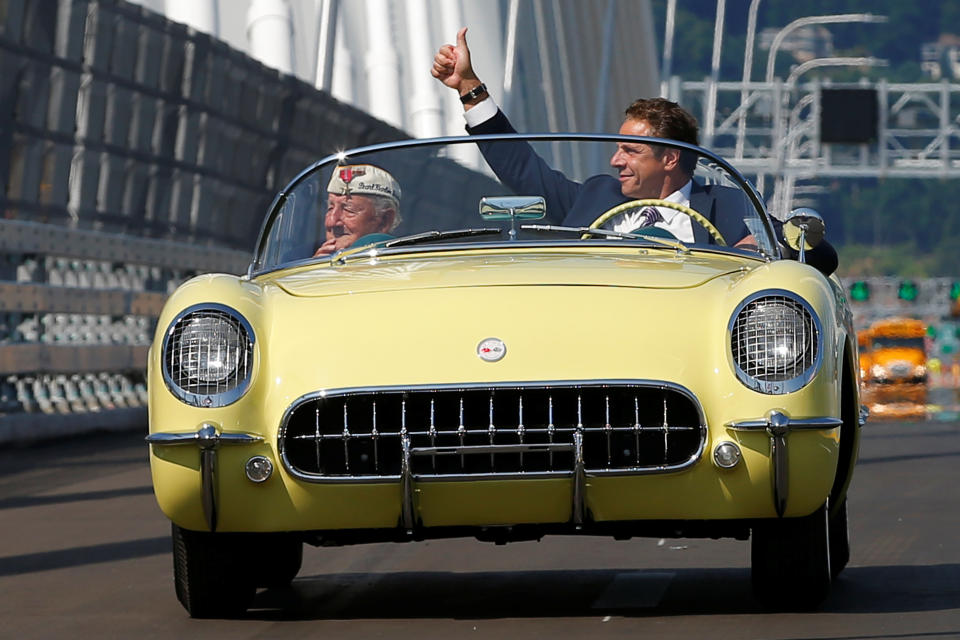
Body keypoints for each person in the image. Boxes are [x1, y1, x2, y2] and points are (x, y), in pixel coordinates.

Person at [431, 28, 838, 275]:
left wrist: (763, 246)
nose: (615, 161)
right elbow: (519, 166)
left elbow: (819, 256)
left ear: (670, 158)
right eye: (618, 149)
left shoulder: (725, 205)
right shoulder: (593, 197)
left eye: (630, 150)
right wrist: (470, 88)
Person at [314, 164, 402, 256]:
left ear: (384, 221)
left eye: (349, 209)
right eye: (330, 208)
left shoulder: (405, 267)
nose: (331, 222)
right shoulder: (307, 261)